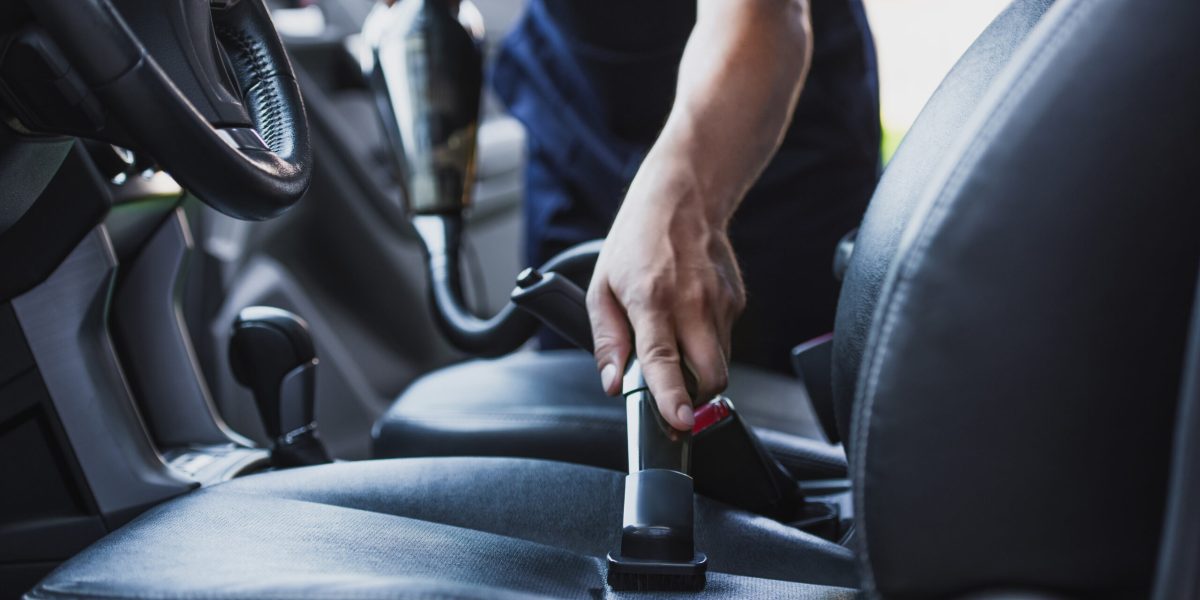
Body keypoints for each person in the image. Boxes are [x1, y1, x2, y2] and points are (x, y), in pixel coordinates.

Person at [491, 0, 880, 432]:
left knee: (807, 436)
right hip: (574, 100)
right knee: (583, 412)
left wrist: (685, 199)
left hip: (767, 119)